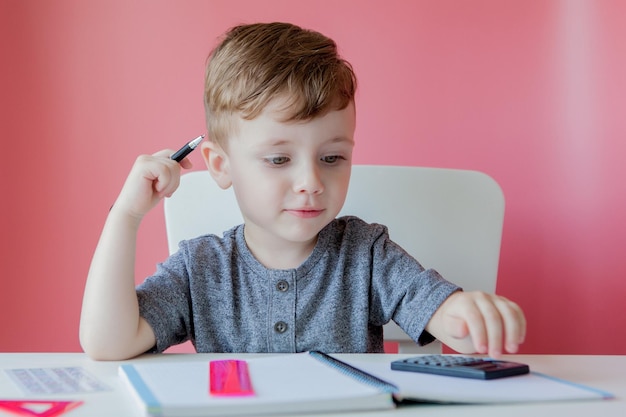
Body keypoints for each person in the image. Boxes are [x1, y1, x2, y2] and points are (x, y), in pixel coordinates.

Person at [79, 22, 526, 361]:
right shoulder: (202, 269)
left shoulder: (367, 253)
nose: (312, 182)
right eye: (278, 160)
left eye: (332, 158)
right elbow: (107, 343)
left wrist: (466, 316)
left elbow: (437, 311)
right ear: (220, 165)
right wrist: (126, 216)